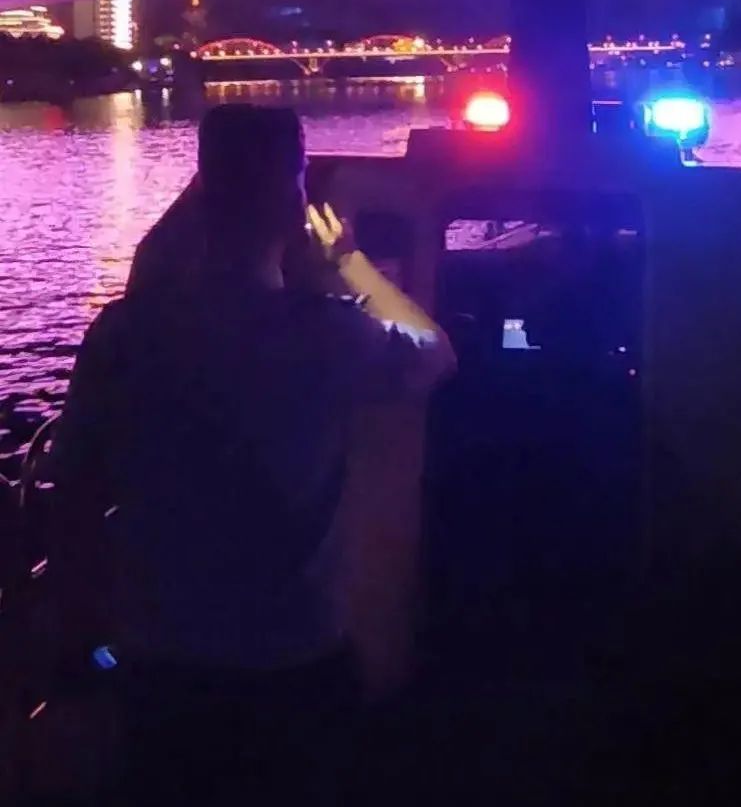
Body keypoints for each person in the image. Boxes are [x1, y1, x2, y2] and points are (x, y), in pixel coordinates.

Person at [48, 104, 455, 805]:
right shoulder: (327, 335)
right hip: (294, 659)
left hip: (161, 666)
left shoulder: (125, 332)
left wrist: (81, 642)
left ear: (201, 194)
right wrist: (347, 261)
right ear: (295, 203)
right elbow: (436, 353)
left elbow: (75, 495)